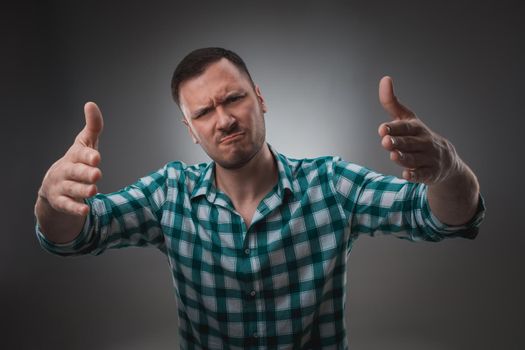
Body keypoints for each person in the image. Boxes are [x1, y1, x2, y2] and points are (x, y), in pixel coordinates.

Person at [34, 47, 485, 349]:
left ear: (260, 99)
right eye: (204, 112)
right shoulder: (168, 194)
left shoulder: (330, 184)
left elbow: (444, 217)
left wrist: (448, 169)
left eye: (234, 98)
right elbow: (76, 235)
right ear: (189, 130)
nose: (224, 119)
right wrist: (51, 200)